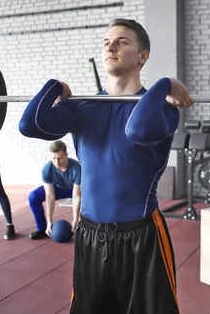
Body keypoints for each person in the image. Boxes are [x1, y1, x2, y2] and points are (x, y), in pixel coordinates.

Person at [19, 18, 193, 314]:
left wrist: (167, 83)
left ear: (143, 56)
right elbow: (29, 124)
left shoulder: (165, 109)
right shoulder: (82, 107)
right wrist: (56, 86)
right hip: (90, 235)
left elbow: (137, 130)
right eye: (106, 42)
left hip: (142, 238)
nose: (111, 46)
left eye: (122, 42)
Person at [28, 140, 82, 240]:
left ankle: (82, 228)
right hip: (58, 189)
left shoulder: (76, 168)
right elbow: (50, 196)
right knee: (33, 196)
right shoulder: (46, 169)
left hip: (74, 190)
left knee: (92, 198)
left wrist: (75, 219)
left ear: (66, 155)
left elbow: (76, 196)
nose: (56, 162)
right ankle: (42, 229)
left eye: (60, 158)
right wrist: (49, 221)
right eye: (53, 158)